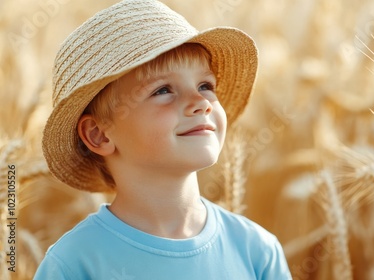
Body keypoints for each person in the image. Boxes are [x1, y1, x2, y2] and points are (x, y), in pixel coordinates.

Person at [34, 0, 292, 279]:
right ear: (99, 134)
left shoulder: (257, 251)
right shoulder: (74, 264)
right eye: (163, 90)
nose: (201, 103)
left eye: (205, 85)